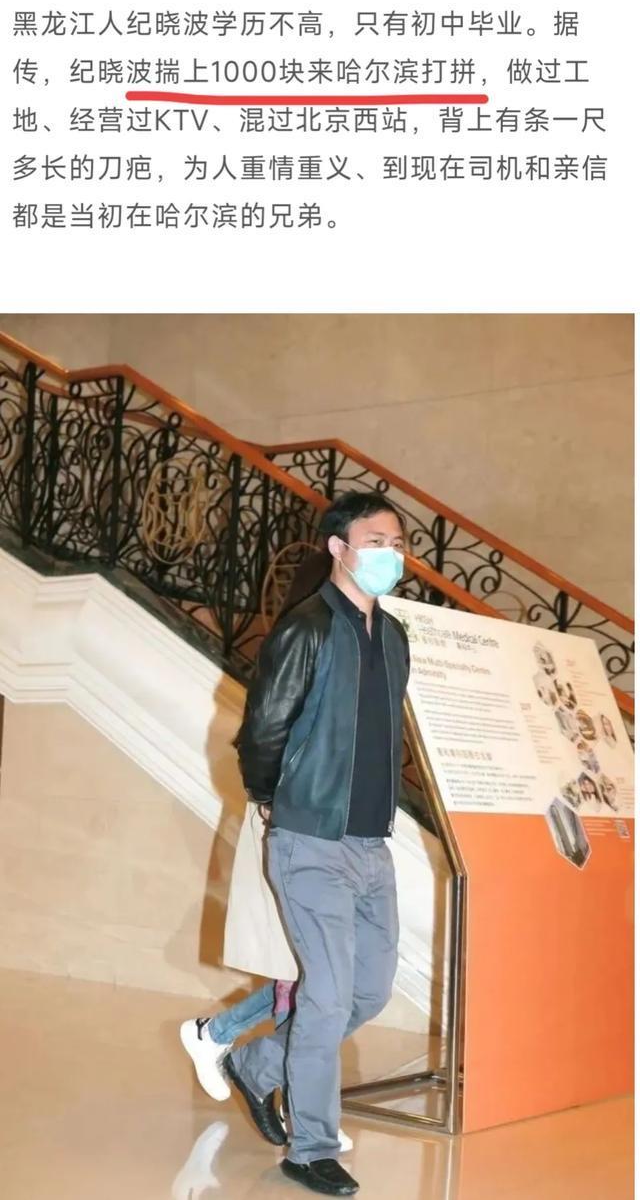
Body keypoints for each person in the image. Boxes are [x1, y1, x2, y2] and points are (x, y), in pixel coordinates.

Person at [223, 489, 410, 1196]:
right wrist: (275, 798)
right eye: (375, 541)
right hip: (311, 839)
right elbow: (263, 728)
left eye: (397, 543)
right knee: (327, 998)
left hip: (371, 843)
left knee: (369, 991)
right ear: (339, 548)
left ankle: (256, 1065)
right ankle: (310, 1148)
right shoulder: (306, 628)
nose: (390, 554)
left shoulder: (394, 637)